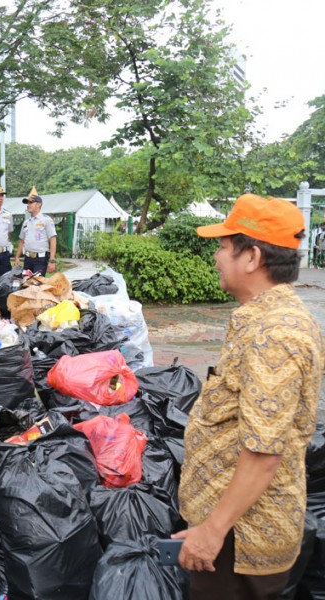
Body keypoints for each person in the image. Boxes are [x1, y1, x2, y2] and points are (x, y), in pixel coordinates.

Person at [174, 194, 324, 599]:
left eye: (224, 246)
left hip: (241, 540)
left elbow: (263, 453)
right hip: (230, 533)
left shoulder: (276, 334)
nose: (217, 257)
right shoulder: (261, 321)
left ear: (253, 257)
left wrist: (212, 531)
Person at [13, 194, 57, 275]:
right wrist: (17, 257)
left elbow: (53, 239)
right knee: (26, 281)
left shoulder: (46, 220)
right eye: (27, 203)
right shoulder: (26, 222)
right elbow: (22, 241)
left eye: (31, 203)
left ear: (39, 204)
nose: (28, 205)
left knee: (36, 282)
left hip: (40, 259)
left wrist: (52, 260)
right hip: (28, 259)